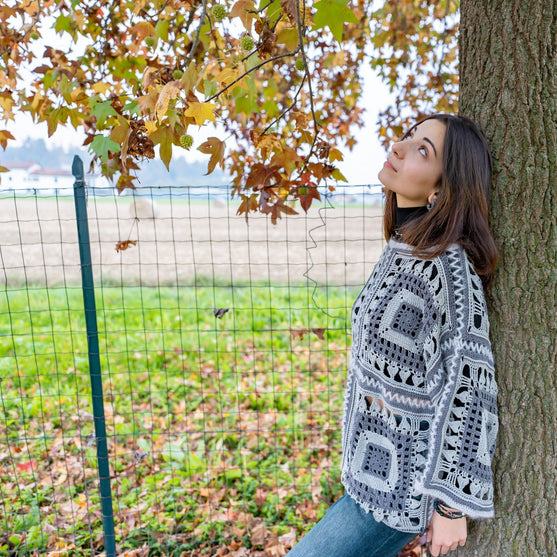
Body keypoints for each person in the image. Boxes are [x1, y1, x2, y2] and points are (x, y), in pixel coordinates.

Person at [286, 114, 499, 557]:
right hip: (370, 480)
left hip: (401, 493)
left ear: (442, 189)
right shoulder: (404, 249)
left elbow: (471, 386)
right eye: (408, 136)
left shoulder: (447, 268)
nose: (399, 147)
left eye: (423, 150)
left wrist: (451, 508)